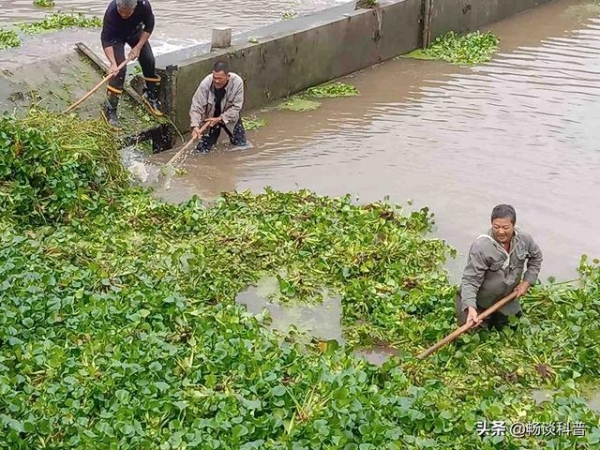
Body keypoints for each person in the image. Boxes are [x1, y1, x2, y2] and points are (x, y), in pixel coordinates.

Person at [455, 204, 543, 330]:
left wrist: (526, 282)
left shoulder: (524, 239)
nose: (501, 232)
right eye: (496, 227)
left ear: (514, 225)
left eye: (505, 227)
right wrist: (471, 307)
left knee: (512, 327)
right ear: (491, 224)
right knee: (470, 331)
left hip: (506, 300)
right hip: (481, 302)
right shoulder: (481, 246)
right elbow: (470, 281)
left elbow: (536, 258)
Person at [100, 0, 163, 130]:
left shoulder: (144, 6)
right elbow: (106, 40)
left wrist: (138, 47)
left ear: (134, 8)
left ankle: (149, 95)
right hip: (116, 37)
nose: (123, 15)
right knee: (120, 69)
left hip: (135, 32)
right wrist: (112, 63)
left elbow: (149, 26)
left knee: (149, 60)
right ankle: (110, 108)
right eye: (121, 12)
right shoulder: (111, 11)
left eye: (127, 13)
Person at [189, 61, 247, 153]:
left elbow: (236, 107)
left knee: (241, 146)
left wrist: (221, 118)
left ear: (228, 76)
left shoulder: (237, 82)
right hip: (210, 118)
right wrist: (195, 126)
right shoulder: (206, 84)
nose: (216, 81)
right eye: (214, 78)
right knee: (202, 150)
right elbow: (196, 107)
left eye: (220, 78)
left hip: (229, 116)